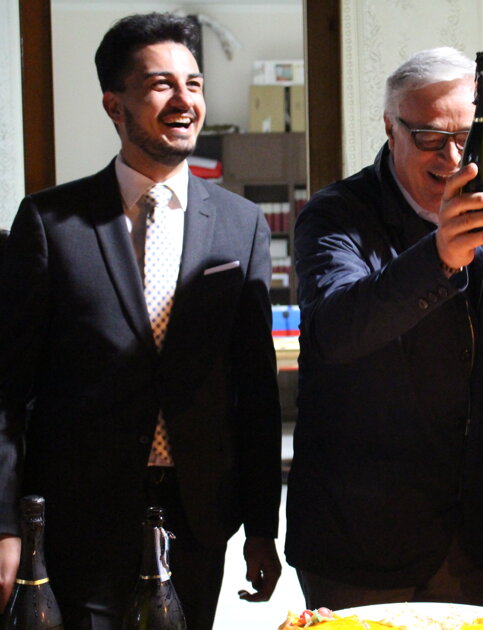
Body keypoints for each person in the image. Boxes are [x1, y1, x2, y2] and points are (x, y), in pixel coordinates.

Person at [0, 13, 282, 629]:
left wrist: (263, 528)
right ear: (115, 105)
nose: (185, 101)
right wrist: (4, 528)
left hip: (198, 517)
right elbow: (7, 393)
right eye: (161, 85)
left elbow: (255, 390)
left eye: (194, 84)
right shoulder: (50, 223)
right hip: (80, 518)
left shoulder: (241, 225)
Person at [285, 47, 483, 610]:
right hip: (358, 537)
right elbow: (337, 330)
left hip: (464, 535)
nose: (454, 158)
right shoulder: (336, 215)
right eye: (431, 138)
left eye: (467, 138)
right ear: (391, 129)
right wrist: (440, 255)